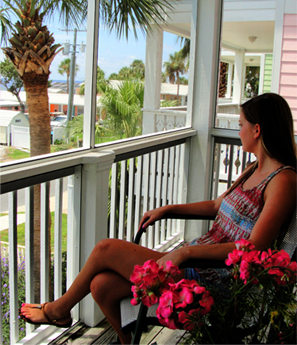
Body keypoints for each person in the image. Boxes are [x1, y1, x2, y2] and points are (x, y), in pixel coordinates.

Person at [20, 93, 296, 344]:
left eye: (241, 125)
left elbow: (255, 248)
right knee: (100, 285)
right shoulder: (252, 170)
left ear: (257, 130)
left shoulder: (283, 180)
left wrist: (187, 253)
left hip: (216, 279)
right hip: (195, 263)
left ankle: (59, 310)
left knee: (106, 248)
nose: (239, 131)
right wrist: (168, 209)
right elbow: (216, 206)